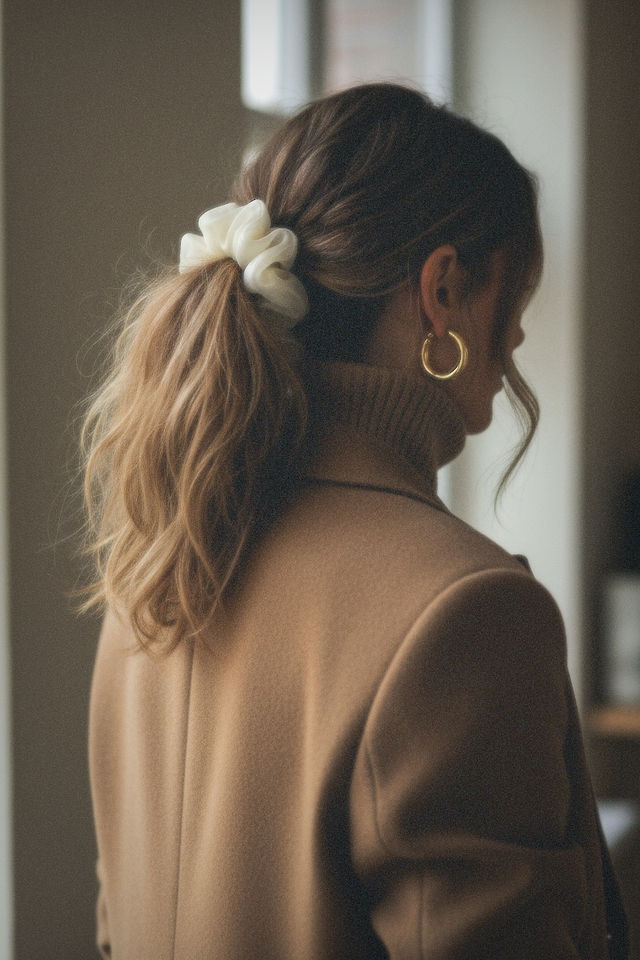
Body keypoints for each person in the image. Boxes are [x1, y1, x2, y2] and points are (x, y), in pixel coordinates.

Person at [83, 83, 628, 959]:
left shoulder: (159, 560)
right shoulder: (468, 609)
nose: (518, 338)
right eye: (515, 297)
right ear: (443, 290)